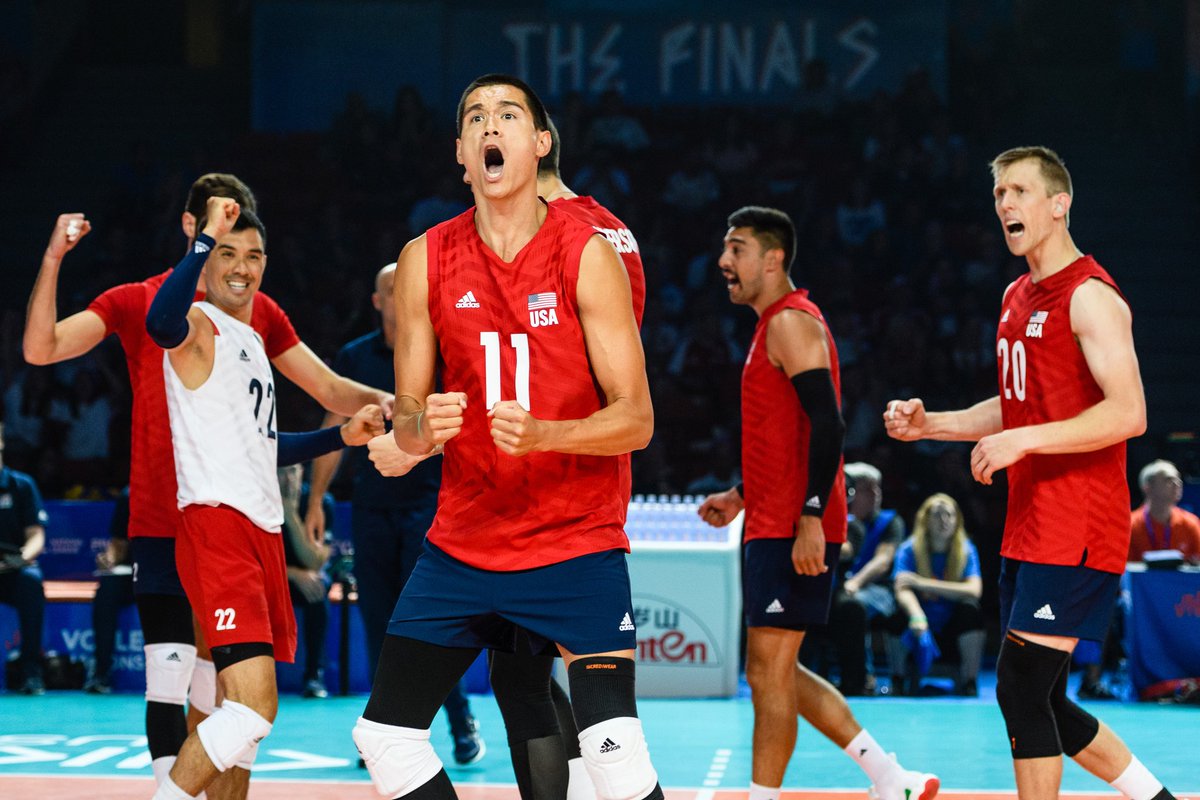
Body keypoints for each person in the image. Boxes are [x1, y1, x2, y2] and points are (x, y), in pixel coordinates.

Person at [23, 175, 392, 794]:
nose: (240, 263)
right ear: (194, 229)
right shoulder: (153, 304)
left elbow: (310, 404)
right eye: (222, 237)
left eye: (252, 250)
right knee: (175, 680)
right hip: (173, 518)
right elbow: (43, 348)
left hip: (252, 518)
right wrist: (54, 257)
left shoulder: (254, 321)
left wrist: (393, 407)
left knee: (229, 696)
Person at [351, 73, 662, 800]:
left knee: (614, 756)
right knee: (385, 739)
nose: (491, 125)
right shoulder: (424, 258)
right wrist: (424, 427)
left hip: (576, 539)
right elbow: (406, 416)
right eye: (476, 118)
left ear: (540, 142)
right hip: (464, 542)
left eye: (509, 114)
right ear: (462, 152)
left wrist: (545, 433)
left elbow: (637, 419)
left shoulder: (588, 250)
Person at [885, 145, 1181, 800]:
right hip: (1029, 524)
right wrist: (933, 422)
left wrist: (1024, 441)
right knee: (1043, 697)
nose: (1006, 205)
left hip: (1078, 527)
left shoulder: (1092, 297)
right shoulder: (1018, 295)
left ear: (1059, 204)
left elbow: (1130, 412)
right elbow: (1019, 405)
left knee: (1020, 690)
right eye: (998, 195)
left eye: (1019, 191)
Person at [145, 196, 383, 800]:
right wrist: (201, 242)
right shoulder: (197, 322)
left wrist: (340, 435)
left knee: (239, 724)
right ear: (206, 261)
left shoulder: (250, 339)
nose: (241, 266)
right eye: (228, 253)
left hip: (261, 532)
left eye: (253, 256)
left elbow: (262, 445)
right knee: (253, 709)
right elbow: (158, 324)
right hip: (219, 526)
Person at [697, 206, 937, 800]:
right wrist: (741, 494)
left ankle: (765, 797)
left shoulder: (790, 323)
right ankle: (891, 777)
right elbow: (787, 438)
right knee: (775, 672)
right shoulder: (770, 326)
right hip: (775, 519)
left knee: (769, 674)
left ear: (774, 259)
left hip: (792, 527)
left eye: (738, 249)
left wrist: (809, 515)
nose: (725, 262)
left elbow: (828, 425)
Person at [479, 114, 647, 800]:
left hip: (538, 486)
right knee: (563, 670)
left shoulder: (552, 237)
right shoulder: (615, 229)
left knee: (520, 675)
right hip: (596, 476)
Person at [308, 263, 484, 764]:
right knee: (378, 619)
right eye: (390, 289)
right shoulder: (355, 356)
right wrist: (316, 501)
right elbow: (334, 428)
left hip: (430, 507)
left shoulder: (441, 352)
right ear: (378, 300)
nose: (398, 295)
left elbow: (463, 431)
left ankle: (459, 719)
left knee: (427, 621)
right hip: (371, 508)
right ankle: (388, 725)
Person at [808, 461, 903, 696]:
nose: (876, 495)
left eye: (877, 488)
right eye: (867, 489)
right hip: (837, 586)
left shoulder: (890, 522)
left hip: (876, 589)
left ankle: (861, 677)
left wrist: (856, 583)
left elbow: (882, 561)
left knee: (852, 605)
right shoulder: (836, 517)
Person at [886, 493, 985, 697]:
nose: (944, 520)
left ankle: (970, 681)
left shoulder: (967, 550)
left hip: (952, 626)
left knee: (971, 611)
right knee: (894, 615)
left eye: (949, 515)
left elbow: (974, 590)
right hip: (920, 626)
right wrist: (917, 616)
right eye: (937, 515)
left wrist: (923, 583)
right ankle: (897, 678)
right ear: (925, 520)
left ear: (957, 520)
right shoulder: (909, 549)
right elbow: (901, 587)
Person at [0, 422, 49, 695]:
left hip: (13, 569)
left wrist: (21, 558)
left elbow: (36, 536)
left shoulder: (21, 485)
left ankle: (32, 672)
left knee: (31, 582)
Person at [278, 465, 332, 699]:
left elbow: (316, 560)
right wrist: (290, 573)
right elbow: (247, 560)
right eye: (281, 471)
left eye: (292, 471)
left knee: (318, 591)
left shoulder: (320, 503)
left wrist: (290, 514)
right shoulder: (256, 501)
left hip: (304, 578)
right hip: (267, 579)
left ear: (301, 471)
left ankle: (313, 676)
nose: (287, 478)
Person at [87, 486, 136, 694]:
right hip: (131, 573)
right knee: (106, 591)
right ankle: (101, 674)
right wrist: (109, 559)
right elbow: (118, 543)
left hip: (168, 572)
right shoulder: (130, 495)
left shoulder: (183, 493)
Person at [1129, 459, 1200, 563]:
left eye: (1178, 479)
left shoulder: (1191, 523)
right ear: (1148, 487)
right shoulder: (1130, 525)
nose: (1177, 484)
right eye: (1169, 479)